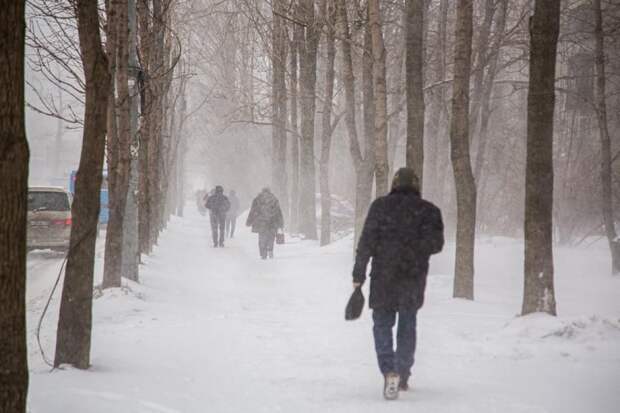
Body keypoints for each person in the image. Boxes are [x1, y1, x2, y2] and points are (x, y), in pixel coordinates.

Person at [352, 167, 444, 400]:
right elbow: (436, 244)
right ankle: (402, 373)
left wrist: (358, 273)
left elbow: (366, 243)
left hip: (383, 276)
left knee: (382, 323)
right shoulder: (429, 211)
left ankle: (388, 369)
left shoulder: (380, 207)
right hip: (412, 278)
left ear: (394, 184)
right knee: (407, 324)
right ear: (416, 185)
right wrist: (414, 251)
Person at [246, 187, 284, 259]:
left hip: (261, 222)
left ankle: (263, 253)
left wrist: (249, 221)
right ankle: (270, 249)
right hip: (272, 222)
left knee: (262, 238)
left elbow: (253, 211)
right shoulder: (274, 199)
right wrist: (281, 222)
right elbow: (278, 212)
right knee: (271, 237)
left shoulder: (257, 199)